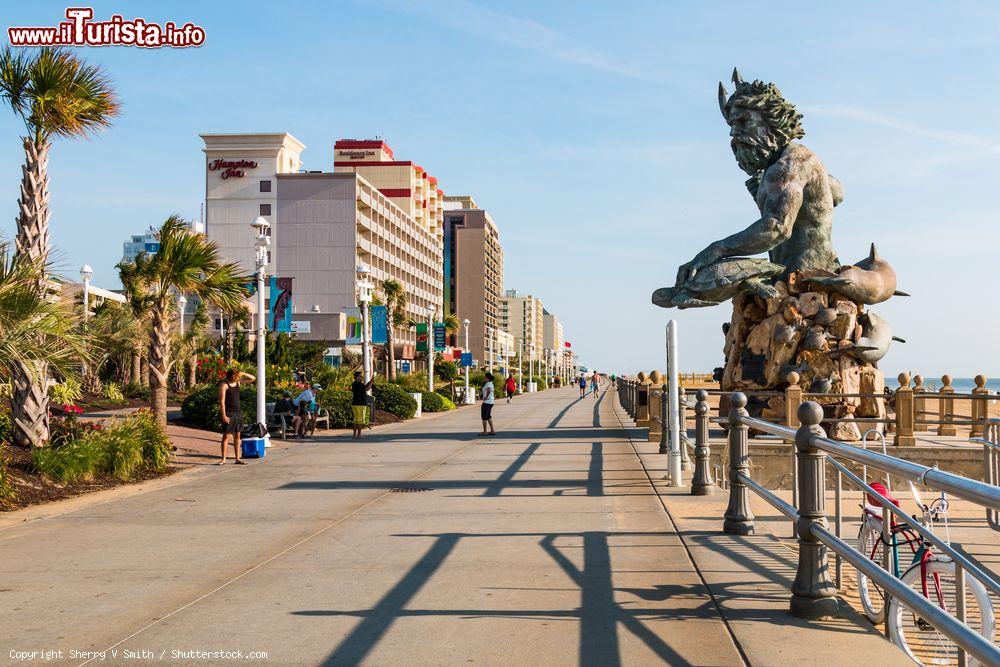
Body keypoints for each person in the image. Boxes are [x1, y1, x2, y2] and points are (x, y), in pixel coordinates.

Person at [218, 368, 255, 465]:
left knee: (238, 435)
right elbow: (222, 402)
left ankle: (237, 458)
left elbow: (253, 378)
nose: (237, 378)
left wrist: (243, 373)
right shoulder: (224, 384)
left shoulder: (238, 382)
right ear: (231, 377)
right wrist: (224, 415)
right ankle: (223, 459)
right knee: (226, 435)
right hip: (229, 413)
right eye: (236, 377)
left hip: (238, 413)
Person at [351, 371, 374, 439]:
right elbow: (366, 388)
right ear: (357, 377)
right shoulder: (358, 384)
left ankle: (354, 434)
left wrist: (370, 382)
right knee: (359, 421)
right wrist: (371, 381)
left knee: (355, 420)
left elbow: (366, 388)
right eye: (361, 376)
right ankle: (359, 435)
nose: (362, 377)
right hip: (360, 404)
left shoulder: (355, 384)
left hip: (355, 404)